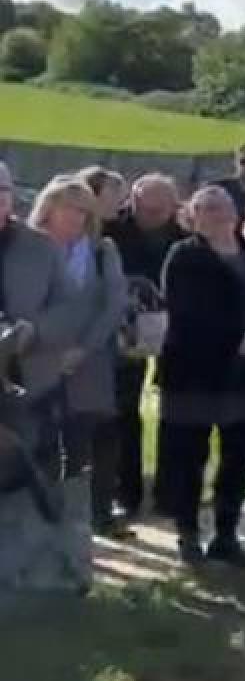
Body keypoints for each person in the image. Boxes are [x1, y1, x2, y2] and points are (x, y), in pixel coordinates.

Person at [158, 186, 245, 566]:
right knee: (189, 457)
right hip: (194, 373)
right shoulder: (184, 256)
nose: (218, 215)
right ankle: (187, 535)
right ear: (193, 216)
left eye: (223, 208)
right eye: (208, 209)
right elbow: (186, 309)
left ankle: (226, 536)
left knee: (238, 457)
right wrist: (234, 339)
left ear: (237, 213)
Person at [29, 177, 128, 537]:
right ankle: (40, 523)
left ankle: (81, 524)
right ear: (48, 209)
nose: (76, 217)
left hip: (89, 361)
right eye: (69, 209)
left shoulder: (102, 251)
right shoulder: (28, 248)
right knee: (39, 445)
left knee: (80, 447)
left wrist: (82, 348)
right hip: (35, 361)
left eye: (84, 211)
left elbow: (113, 304)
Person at [103, 173, 187, 518]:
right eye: (142, 208)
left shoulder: (183, 237)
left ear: (173, 207)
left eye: (158, 211)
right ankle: (127, 491)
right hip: (125, 329)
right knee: (124, 408)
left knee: (176, 409)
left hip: (175, 329)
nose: (148, 216)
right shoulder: (112, 230)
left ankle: (170, 491)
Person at [0, 163, 77, 477]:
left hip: (28, 371)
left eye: (2, 190)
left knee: (32, 462)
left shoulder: (41, 246)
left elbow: (67, 307)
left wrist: (35, 330)